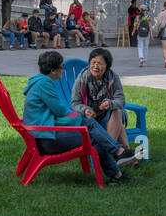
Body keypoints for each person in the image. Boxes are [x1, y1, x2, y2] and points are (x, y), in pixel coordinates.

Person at [22, 51, 130, 185]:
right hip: (46, 140)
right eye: (61, 66)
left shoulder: (39, 81)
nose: (63, 68)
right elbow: (60, 110)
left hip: (42, 135)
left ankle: (117, 164)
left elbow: (58, 112)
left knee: (89, 125)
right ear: (53, 70)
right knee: (93, 133)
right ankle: (118, 156)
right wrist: (80, 116)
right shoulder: (44, 84)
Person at [71, 47, 136, 155]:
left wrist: (109, 104)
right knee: (118, 121)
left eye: (100, 63)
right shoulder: (82, 78)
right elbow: (75, 103)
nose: (95, 66)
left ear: (107, 66)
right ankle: (124, 154)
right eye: (93, 62)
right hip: (90, 119)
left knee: (117, 112)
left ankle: (110, 154)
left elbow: (120, 101)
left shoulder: (112, 77)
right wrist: (85, 109)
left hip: (108, 115)